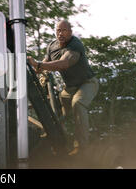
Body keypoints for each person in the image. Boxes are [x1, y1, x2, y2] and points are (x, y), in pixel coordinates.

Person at [27, 20, 99, 154]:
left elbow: (64, 63)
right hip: (70, 87)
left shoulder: (75, 45)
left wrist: (38, 64)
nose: (61, 33)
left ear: (70, 32)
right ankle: (61, 139)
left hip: (87, 83)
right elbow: (41, 67)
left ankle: (81, 147)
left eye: (64, 30)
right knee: (58, 113)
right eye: (58, 30)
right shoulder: (52, 47)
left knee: (78, 103)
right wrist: (32, 63)